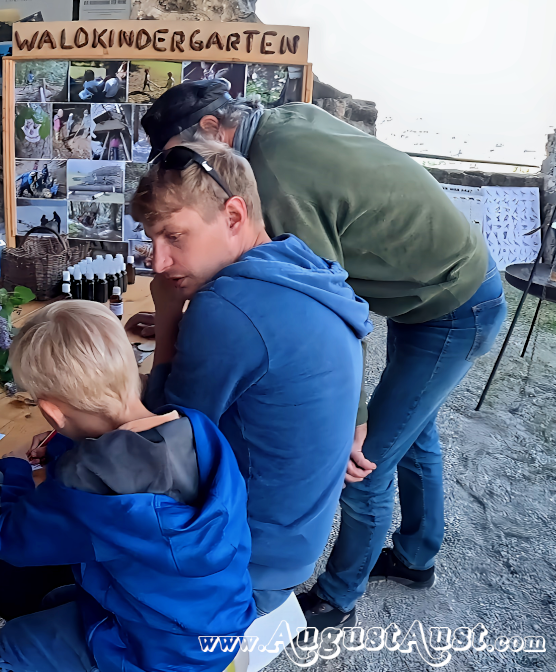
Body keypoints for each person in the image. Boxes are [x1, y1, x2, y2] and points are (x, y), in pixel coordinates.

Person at [138, 80, 507, 629]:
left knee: (365, 462)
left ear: (215, 131)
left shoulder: (275, 181)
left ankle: (340, 596)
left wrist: (352, 420)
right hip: (433, 286)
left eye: (184, 156)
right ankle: (417, 556)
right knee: (411, 431)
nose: (183, 173)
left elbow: (327, 293)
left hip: (451, 303)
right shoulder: (284, 123)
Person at [130, 141, 371, 620]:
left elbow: (163, 438)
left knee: (24, 584)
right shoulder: (297, 262)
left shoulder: (227, 309)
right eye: (152, 240)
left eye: (174, 237)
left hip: (244, 564)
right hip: (296, 542)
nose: (158, 263)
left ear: (234, 216)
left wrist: (170, 313)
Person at [0, 300, 256, 672]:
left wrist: (13, 469)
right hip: (221, 620)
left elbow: (9, 539)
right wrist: (64, 443)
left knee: (12, 643)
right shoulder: (198, 428)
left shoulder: (83, 482)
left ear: (52, 413)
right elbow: (125, 447)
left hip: (155, 651)